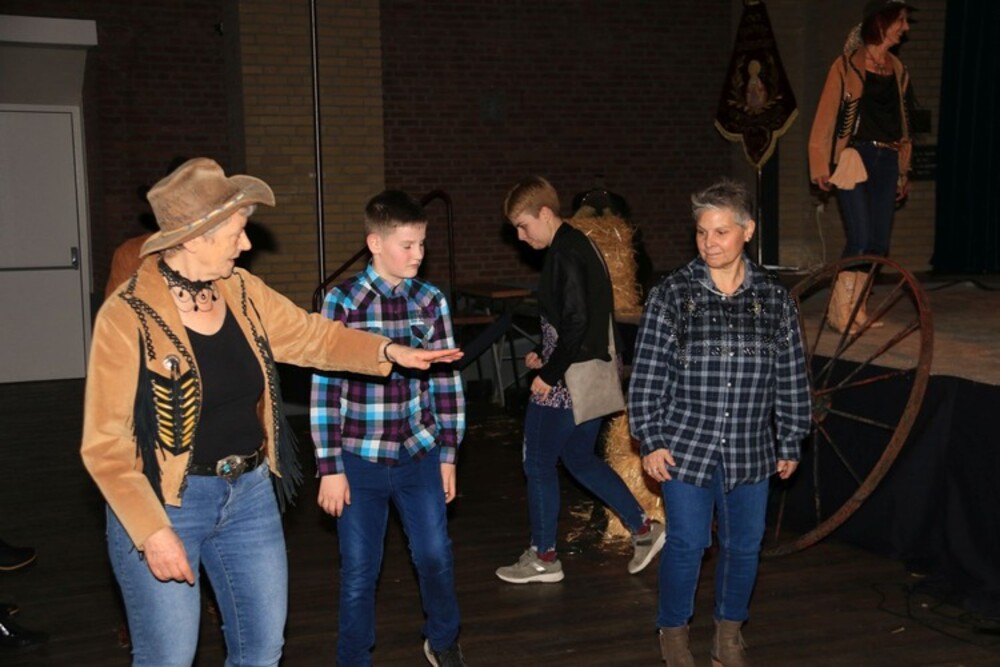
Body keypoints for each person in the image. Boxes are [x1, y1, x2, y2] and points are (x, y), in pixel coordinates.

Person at [80, 158, 461, 667]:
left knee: (261, 651)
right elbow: (105, 444)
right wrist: (151, 530)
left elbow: (315, 337)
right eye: (235, 233)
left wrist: (388, 351)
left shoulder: (241, 291)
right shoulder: (128, 316)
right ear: (194, 237)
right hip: (167, 502)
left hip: (249, 495)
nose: (246, 244)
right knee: (168, 657)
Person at [628, 180, 811, 667]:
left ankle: (729, 634)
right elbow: (647, 375)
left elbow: (791, 374)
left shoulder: (775, 300)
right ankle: (673, 634)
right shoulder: (672, 295)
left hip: (751, 448)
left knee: (744, 547)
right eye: (702, 232)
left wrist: (791, 438)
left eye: (721, 232)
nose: (709, 242)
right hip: (685, 446)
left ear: (747, 231)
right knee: (688, 544)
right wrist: (651, 438)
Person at [310, 190, 467, 667]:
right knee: (360, 570)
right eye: (407, 245)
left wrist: (448, 454)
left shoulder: (431, 299)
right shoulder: (342, 301)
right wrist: (330, 467)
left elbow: (447, 379)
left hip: (419, 452)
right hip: (359, 458)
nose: (418, 254)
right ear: (375, 243)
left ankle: (443, 639)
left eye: (422, 243)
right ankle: (353, 658)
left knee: (436, 556)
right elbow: (325, 387)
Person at [495, 176, 665, 584]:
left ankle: (544, 556)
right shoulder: (576, 245)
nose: (520, 237)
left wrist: (549, 373)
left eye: (523, 226)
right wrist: (544, 350)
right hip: (588, 373)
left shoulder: (566, 252)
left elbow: (575, 323)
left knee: (538, 462)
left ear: (545, 213)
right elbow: (576, 319)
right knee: (579, 458)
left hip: (568, 380)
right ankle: (644, 529)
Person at [808, 0, 915, 332]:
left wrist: (902, 171)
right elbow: (826, 117)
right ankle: (840, 312)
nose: (905, 28)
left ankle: (858, 308)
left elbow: (903, 123)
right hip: (854, 157)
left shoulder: (898, 69)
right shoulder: (845, 66)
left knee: (878, 242)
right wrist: (820, 164)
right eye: (901, 20)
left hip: (887, 158)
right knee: (860, 236)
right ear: (882, 23)